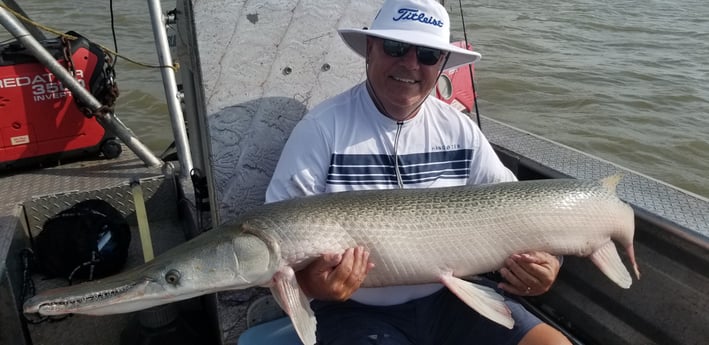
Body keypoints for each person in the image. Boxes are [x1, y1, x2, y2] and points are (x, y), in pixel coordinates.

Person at [265, 0, 571, 344]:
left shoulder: (461, 131)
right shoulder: (320, 130)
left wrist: (549, 265)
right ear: (370, 49)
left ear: (441, 64)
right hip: (353, 310)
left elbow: (521, 212)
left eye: (427, 55)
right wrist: (314, 285)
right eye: (396, 47)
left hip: (453, 298)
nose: (410, 63)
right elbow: (275, 247)